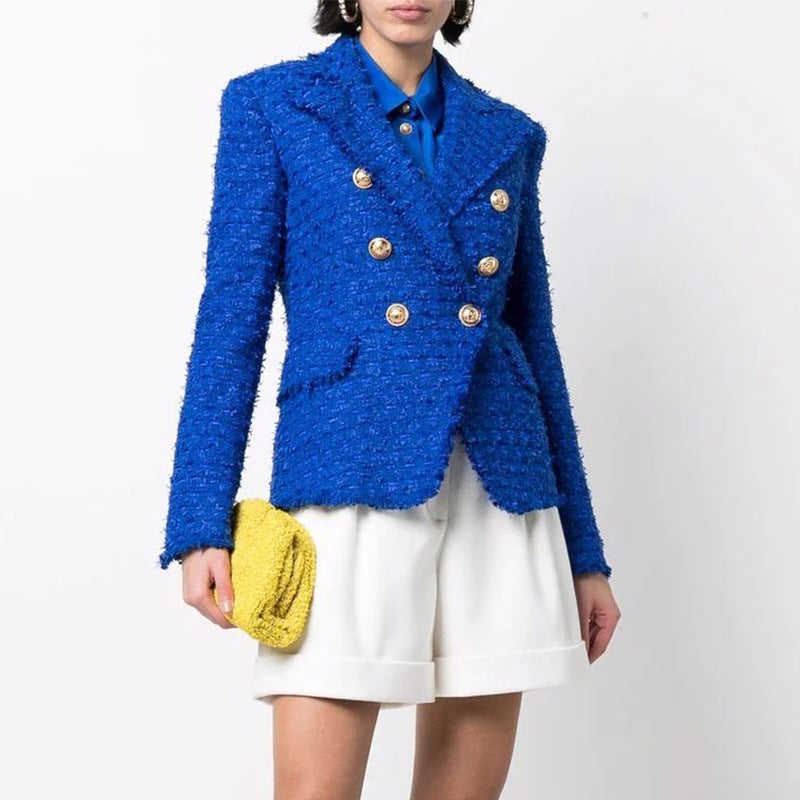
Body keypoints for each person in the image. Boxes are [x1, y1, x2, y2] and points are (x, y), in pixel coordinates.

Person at [160, 1, 622, 796]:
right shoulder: (274, 105)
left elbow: (533, 341)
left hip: (499, 488)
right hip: (349, 468)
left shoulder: (508, 133)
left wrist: (584, 553)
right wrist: (199, 520)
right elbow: (231, 320)